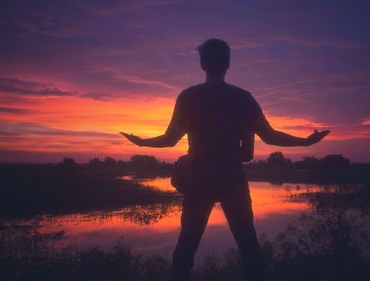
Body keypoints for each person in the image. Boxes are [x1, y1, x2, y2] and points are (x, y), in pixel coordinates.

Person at [120, 38, 330, 281]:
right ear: (228, 63)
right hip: (232, 179)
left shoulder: (188, 97)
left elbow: (168, 140)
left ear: (202, 64)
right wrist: (304, 141)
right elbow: (271, 136)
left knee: (186, 247)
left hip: (199, 180)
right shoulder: (243, 98)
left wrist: (142, 142)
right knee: (249, 246)